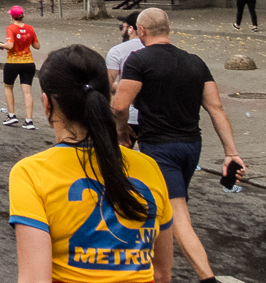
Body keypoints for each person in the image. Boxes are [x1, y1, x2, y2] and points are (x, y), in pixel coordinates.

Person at [10, 45, 174, 283]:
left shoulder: (30, 174)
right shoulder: (148, 167)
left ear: (47, 104)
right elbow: (161, 274)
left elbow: (36, 279)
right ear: (107, 97)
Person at [112, 7, 245, 283]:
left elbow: (120, 105)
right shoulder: (195, 61)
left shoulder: (138, 60)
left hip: (161, 148)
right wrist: (231, 153)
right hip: (190, 148)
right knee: (166, 211)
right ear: (168, 29)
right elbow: (216, 108)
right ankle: (160, 272)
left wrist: (122, 131)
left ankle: (207, 278)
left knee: (178, 215)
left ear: (142, 31)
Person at [0, 5, 40, 130]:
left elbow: (10, 45)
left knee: (8, 87)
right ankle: (29, 121)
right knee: (27, 92)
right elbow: (37, 46)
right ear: (22, 16)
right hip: (29, 63)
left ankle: (11, 115)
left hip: (13, 63)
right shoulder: (30, 28)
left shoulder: (11, 28)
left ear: (12, 17)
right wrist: (26, 39)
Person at [106, 12, 143, 145]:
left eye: (123, 26)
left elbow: (107, 86)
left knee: (121, 158)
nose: (122, 30)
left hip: (128, 117)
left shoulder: (117, 51)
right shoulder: (158, 49)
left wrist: (117, 87)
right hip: (155, 118)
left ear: (131, 29)